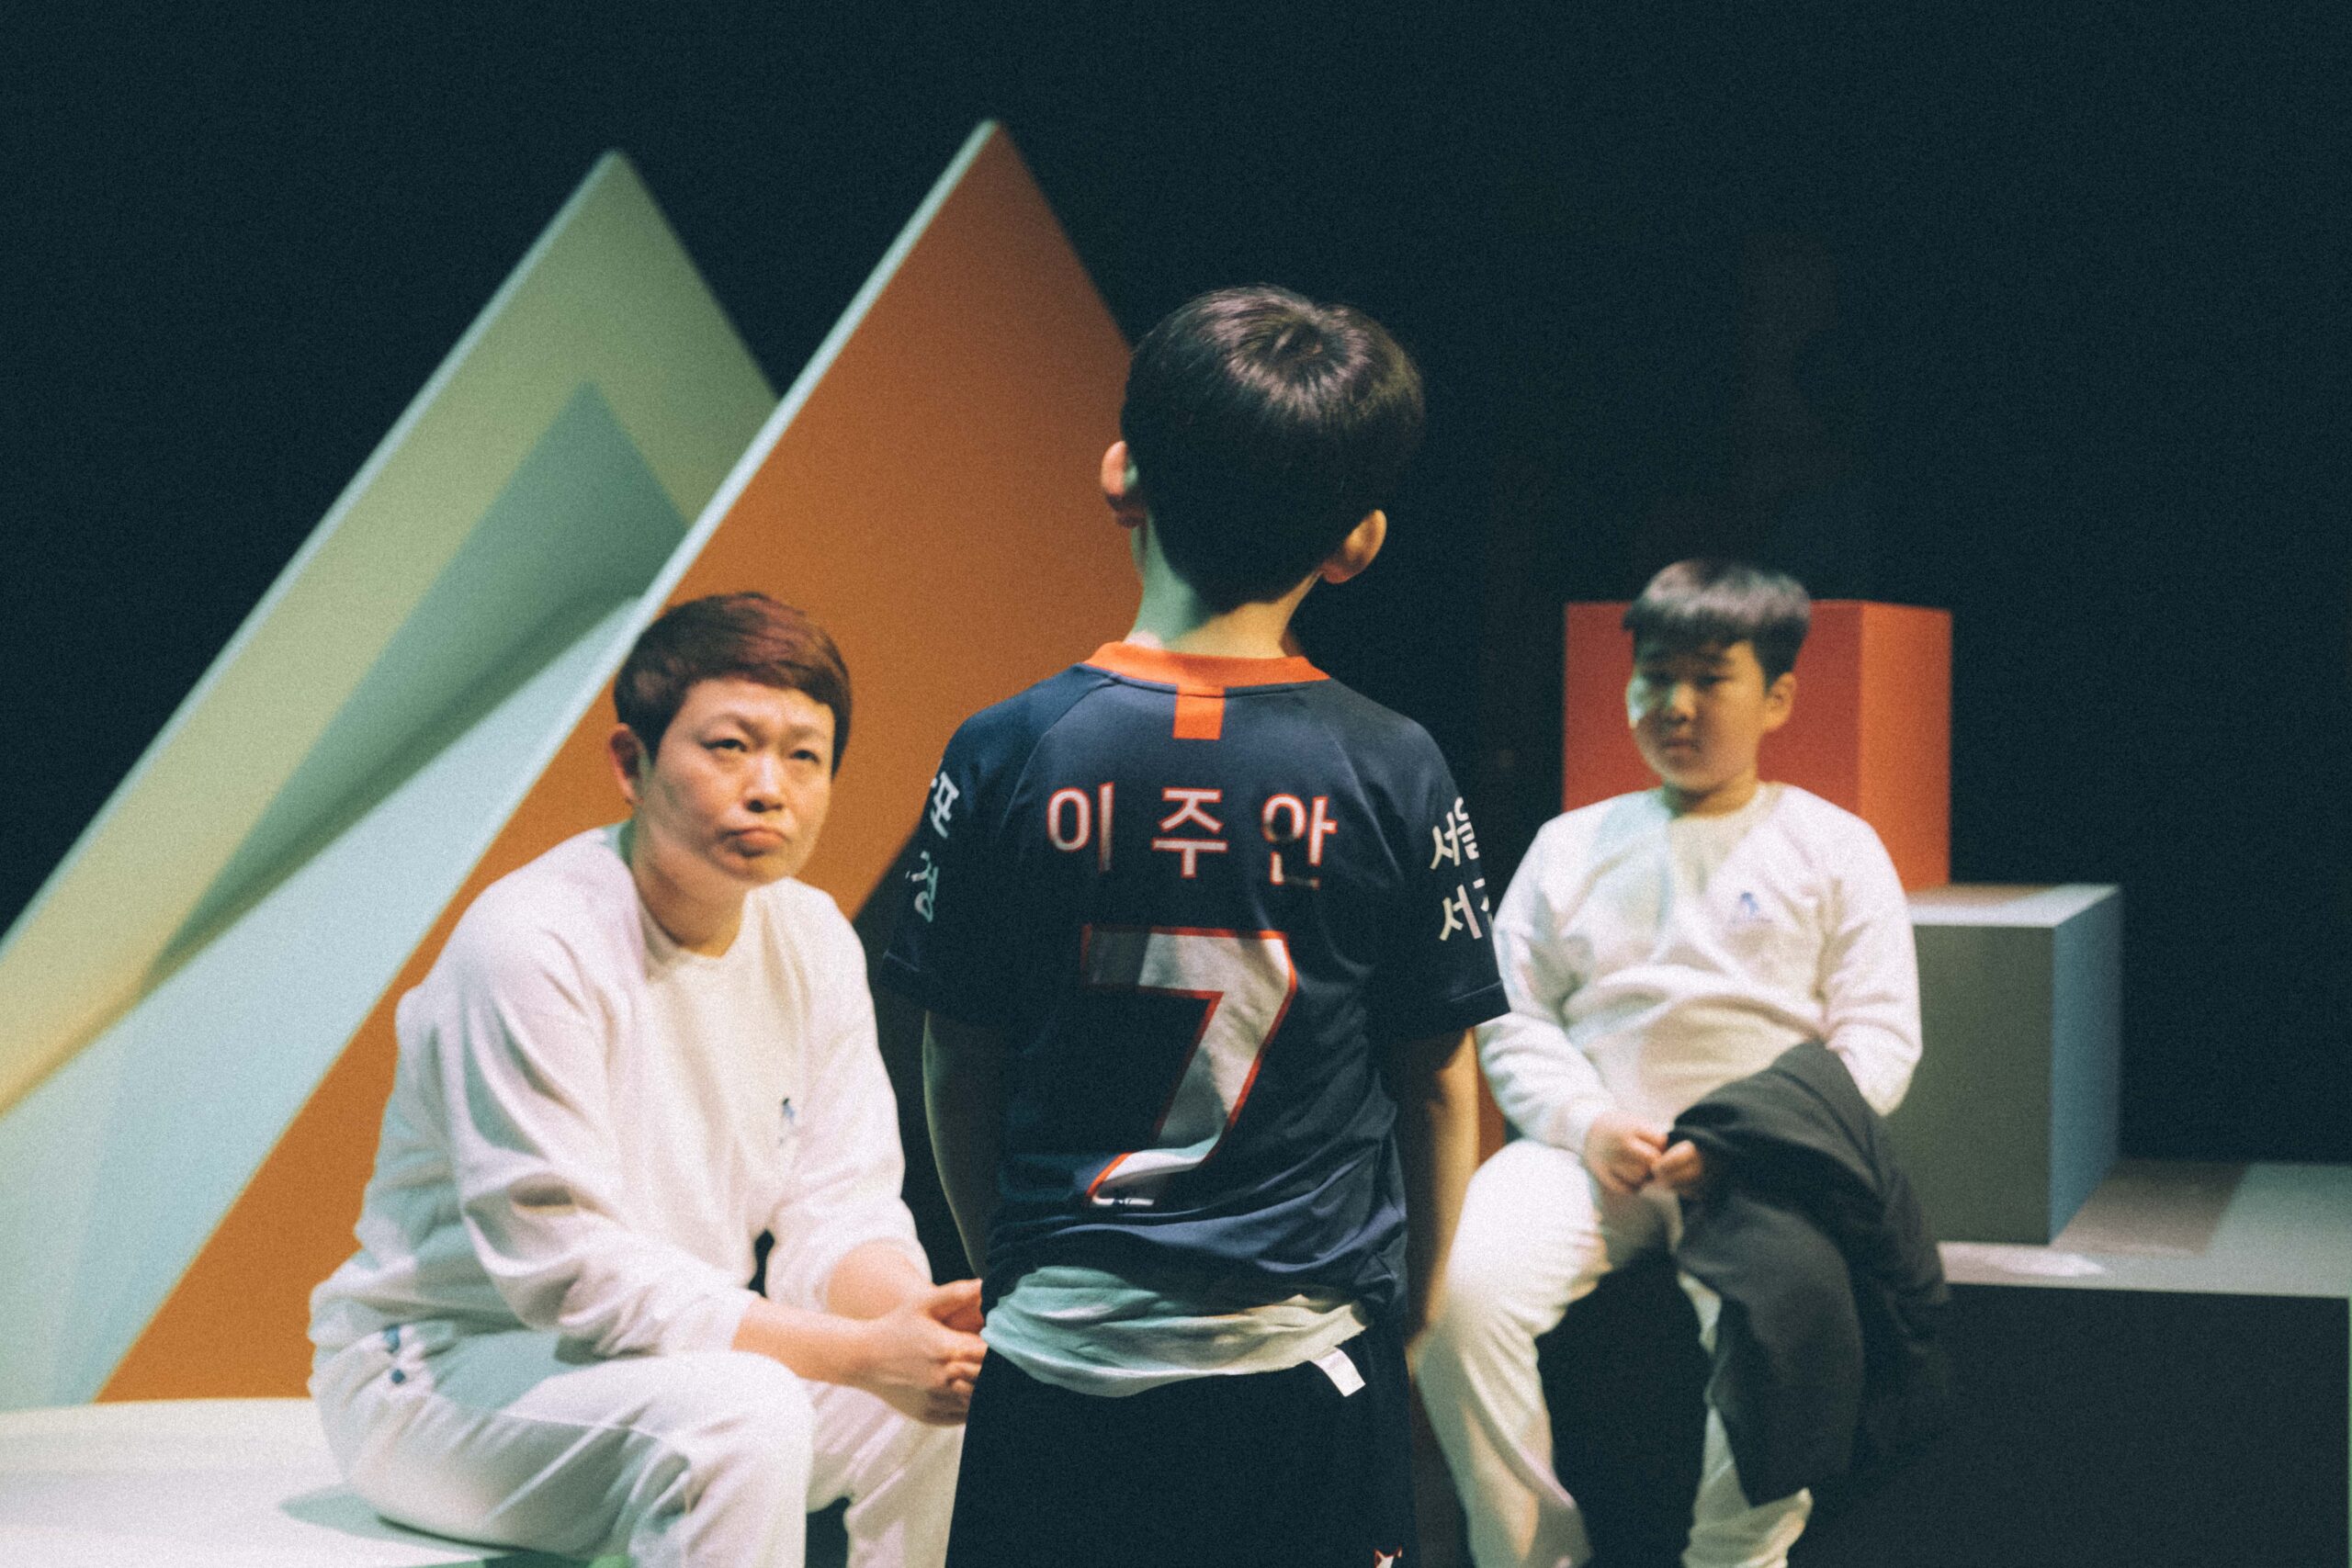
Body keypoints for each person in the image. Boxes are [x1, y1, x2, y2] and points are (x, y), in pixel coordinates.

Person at [882, 285, 1504, 1568]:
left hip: (1054, 1363)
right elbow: (1440, 1080)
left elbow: (955, 1057)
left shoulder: (1002, 751)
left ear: (1122, 476)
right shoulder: (1394, 765)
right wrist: (1416, 1310)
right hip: (1302, 1365)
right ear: (1360, 541)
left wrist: (1019, 1268)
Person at [309, 592, 978, 1568]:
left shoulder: (812, 937)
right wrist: (858, 1355)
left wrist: (913, 1328)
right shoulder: (532, 942)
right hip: (437, 1373)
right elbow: (567, 1271)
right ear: (631, 763)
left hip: (655, 1360)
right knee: (742, 1416)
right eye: (729, 746)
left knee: (935, 1406)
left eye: (804, 755)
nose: (769, 788)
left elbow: (840, 1206)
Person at [1417, 559, 1924, 1568]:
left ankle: (1734, 1560)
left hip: (1761, 1169)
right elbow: (1512, 1015)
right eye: (1654, 675)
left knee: (1786, 1328)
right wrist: (1587, 1123)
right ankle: (1530, 1552)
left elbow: (1878, 1039)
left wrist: (1748, 1144)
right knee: (1456, 1292)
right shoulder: (1569, 844)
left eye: (1709, 677)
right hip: (1588, 1155)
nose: (1675, 704)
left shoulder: (1836, 847)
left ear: (1777, 696)